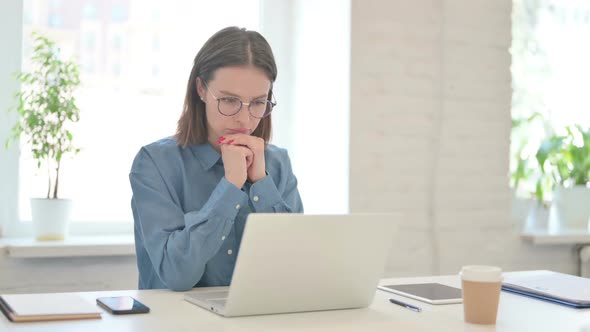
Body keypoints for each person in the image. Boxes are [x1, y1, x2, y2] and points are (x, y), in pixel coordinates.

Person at [129, 27, 304, 291]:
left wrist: (261, 183)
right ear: (201, 88)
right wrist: (231, 186)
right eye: (229, 100)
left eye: (258, 102)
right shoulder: (155, 163)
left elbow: (296, 270)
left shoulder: (277, 164)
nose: (244, 120)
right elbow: (177, 275)